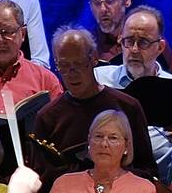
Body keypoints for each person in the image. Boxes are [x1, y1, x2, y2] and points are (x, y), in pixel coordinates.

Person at [94, 5, 172, 182]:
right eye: (129, 41)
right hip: (105, 176)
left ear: (160, 47)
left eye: (143, 42)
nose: (134, 49)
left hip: (161, 182)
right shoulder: (99, 80)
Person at [32, 26, 155, 176]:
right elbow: (40, 177)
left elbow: (148, 170)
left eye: (78, 63)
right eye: (64, 65)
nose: (72, 73)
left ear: (94, 59)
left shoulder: (128, 107)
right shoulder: (47, 117)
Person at [85, 0, 172, 74]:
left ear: (126, 0)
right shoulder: (86, 48)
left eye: (110, 1)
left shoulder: (152, 43)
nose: (103, 9)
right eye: (96, 2)